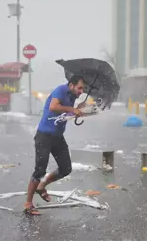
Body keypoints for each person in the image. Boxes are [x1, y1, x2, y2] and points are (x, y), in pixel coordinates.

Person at [24, 75, 86, 215]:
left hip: (58, 137)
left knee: (66, 168)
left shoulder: (72, 96)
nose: (82, 91)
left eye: (83, 88)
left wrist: (79, 110)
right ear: (71, 85)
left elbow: (64, 114)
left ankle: (42, 186)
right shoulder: (61, 90)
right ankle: (28, 204)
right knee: (40, 170)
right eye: (80, 87)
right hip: (44, 136)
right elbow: (54, 107)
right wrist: (71, 109)